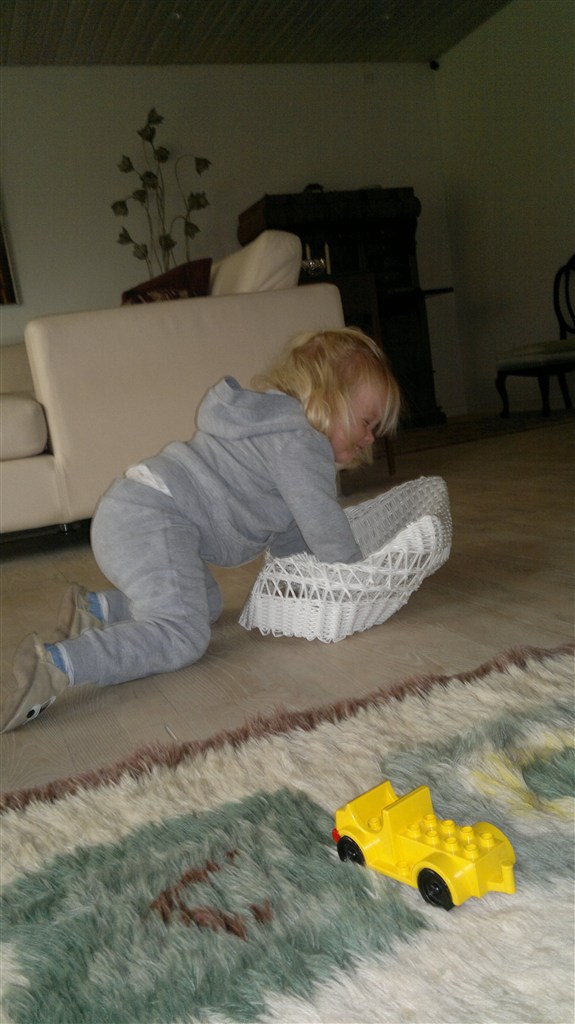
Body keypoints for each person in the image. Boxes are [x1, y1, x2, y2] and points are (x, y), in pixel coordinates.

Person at [1, 327, 402, 732]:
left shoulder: (272, 431)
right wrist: (359, 577)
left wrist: (299, 585)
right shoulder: (302, 442)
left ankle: (95, 611)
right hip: (151, 516)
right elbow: (324, 524)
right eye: (366, 421)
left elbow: (293, 530)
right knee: (182, 634)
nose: (371, 437)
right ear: (328, 399)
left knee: (205, 604)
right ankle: (60, 663)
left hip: (134, 510)